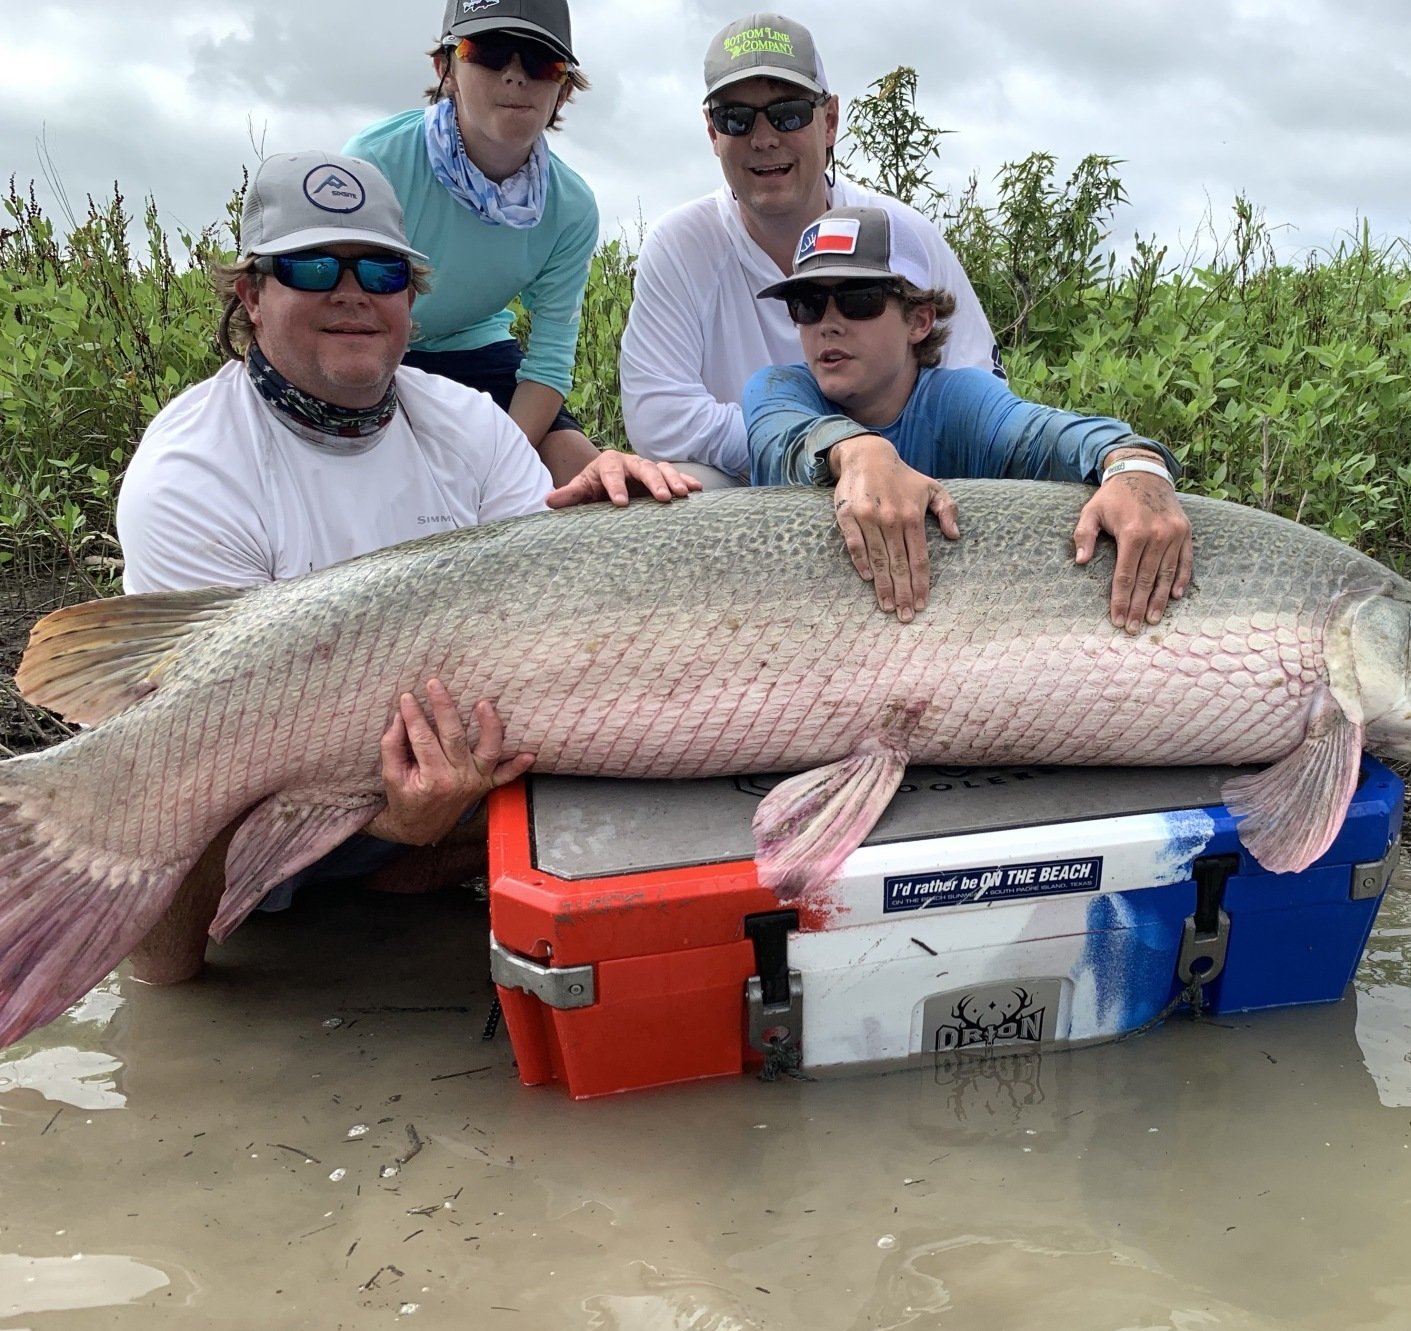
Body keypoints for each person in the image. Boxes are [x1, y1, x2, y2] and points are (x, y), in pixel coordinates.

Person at [115, 150, 695, 983]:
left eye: (382, 271)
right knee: (161, 885)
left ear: (410, 299)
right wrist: (383, 815)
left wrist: (606, 533)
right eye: (313, 267)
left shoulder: (470, 424)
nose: (352, 293)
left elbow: (551, 625)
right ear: (250, 295)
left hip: (436, 784)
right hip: (248, 799)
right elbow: (211, 741)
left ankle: (405, 874)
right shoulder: (192, 471)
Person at [744, 206, 1192, 634]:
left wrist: (1136, 466)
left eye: (858, 300)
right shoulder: (777, 390)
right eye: (807, 304)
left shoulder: (960, 401)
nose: (827, 324)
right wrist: (860, 452)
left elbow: (1047, 434)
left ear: (919, 321)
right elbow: (786, 440)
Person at [618, 12, 1002, 487]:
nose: (763, 139)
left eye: (789, 114)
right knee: (676, 484)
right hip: (752, 489)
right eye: (736, 118)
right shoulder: (679, 245)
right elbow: (658, 418)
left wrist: (874, 455)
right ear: (713, 133)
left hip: (908, 480)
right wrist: (827, 451)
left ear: (830, 121)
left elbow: (981, 393)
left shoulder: (904, 234)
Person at [343, 0, 601, 485]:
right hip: (373, 351)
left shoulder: (571, 208)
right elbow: (341, 313)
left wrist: (495, 468)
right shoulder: (375, 164)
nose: (515, 76)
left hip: (477, 347)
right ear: (447, 69)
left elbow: (548, 366)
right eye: (489, 52)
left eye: (540, 61)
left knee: (580, 468)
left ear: (564, 89)